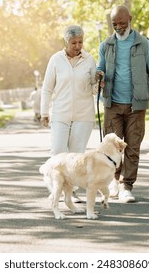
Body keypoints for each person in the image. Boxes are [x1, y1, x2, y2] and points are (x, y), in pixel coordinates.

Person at [96, 5, 149, 203]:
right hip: (112, 104)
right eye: (115, 24)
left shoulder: (144, 44)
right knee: (111, 148)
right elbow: (100, 67)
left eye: (122, 23)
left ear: (130, 19)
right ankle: (113, 181)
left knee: (132, 146)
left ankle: (126, 186)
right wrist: (99, 75)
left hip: (136, 105)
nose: (118, 27)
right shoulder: (106, 45)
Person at [40, 25, 99, 202]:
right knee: (58, 152)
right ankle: (56, 188)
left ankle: (70, 192)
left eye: (80, 42)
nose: (78, 46)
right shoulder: (56, 59)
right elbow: (47, 88)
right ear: (66, 42)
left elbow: (94, 89)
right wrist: (44, 112)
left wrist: (98, 82)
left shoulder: (89, 59)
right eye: (74, 42)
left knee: (75, 156)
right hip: (60, 113)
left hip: (84, 114)